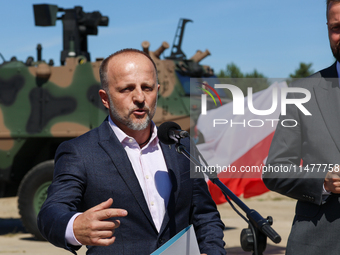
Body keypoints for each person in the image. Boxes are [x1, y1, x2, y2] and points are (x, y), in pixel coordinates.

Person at [37, 48, 226, 255]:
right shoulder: (79, 152)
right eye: (126, 89)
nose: (139, 97)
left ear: (158, 91)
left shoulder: (181, 146)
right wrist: (74, 226)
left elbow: (205, 215)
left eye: (147, 87)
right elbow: (50, 213)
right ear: (105, 98)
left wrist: (212, 251)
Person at [263, 1, 340, 254]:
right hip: (321, 244)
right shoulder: (302, 93)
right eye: (336, 28)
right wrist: (323, 182)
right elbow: (275, 170)